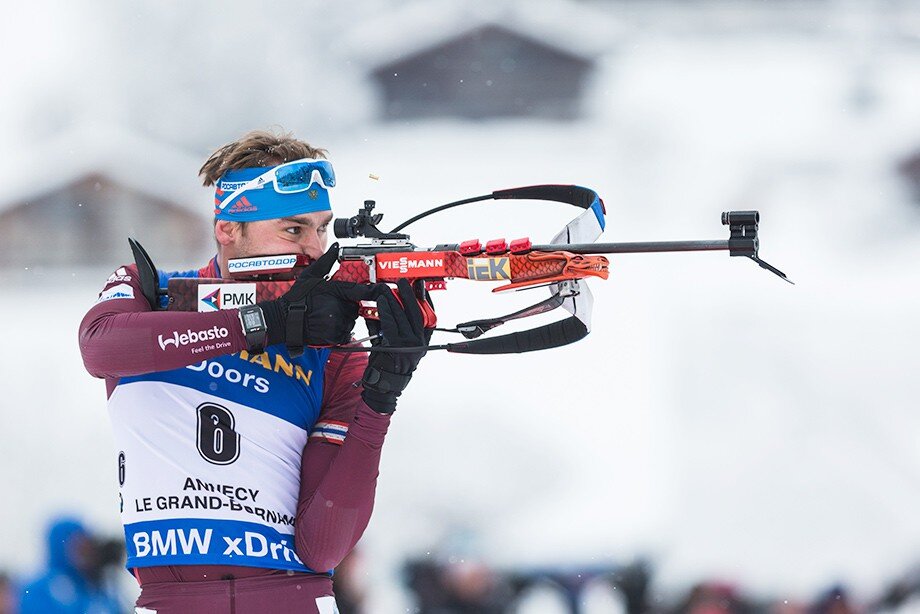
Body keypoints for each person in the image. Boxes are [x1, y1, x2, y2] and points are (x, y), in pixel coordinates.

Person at [78, 129, 430, 613]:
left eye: (323, 229)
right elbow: (99, 348)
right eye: (294, 230)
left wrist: (382, 395)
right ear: (228, 229)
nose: (316, 249)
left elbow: (322, 546)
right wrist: (263, 323)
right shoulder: (153, 292)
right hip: (170, 600)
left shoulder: (333, 350)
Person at [19, 516, 121, 614]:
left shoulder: (95, 589)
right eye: (77, 545)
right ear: (60, 547)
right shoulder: (41, 589)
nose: (85, 552)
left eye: (86, 545)